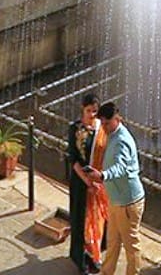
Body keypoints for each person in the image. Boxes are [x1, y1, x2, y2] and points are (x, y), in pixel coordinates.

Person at [87, 102, 144, 275]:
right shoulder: (111, 134)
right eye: (102, 123)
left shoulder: (121, 141)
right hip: (116, 200)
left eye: (107, 123)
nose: (103, 127)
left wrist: (103, 176)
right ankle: (106, 272)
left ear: (117, 118)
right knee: (112, 242)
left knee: (131, 246)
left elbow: (121, 167)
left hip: (128, 202)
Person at [67, 93, 108, 273]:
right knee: (80, 219)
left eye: (95, 111)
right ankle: (81, 258)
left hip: (99, 183)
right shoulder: (75, 129)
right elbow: (73, 159)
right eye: (88, 111)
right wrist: (86, 181)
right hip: (81, 182)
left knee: (98, 220)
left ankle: (94, 255)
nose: (92, 115)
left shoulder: (102, 129)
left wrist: (99, 180)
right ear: (82, 110)